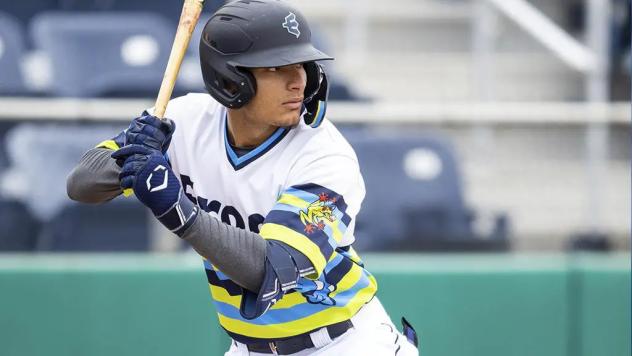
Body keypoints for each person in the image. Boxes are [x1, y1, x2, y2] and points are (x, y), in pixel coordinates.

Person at [67, 0, 419, 355]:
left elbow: (270, 269)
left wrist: (175, 207)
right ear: (230, 79)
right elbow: (81, 184)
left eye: (301, 65)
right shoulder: (185, 119)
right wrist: (131, 161)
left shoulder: (325, 155)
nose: (298, 81)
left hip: (346, 342)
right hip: (249, 347)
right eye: (277, 67)